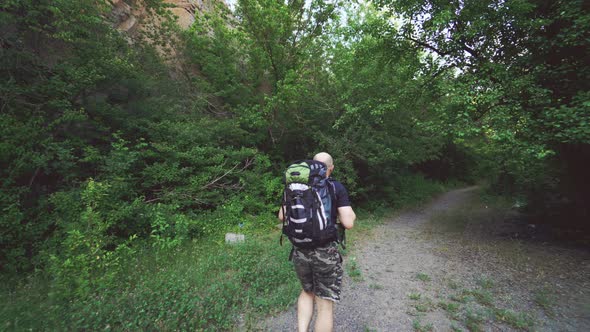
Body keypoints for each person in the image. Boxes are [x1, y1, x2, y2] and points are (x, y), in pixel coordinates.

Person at [278, 152, 356, 332]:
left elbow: (282, 216)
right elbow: (348, 223)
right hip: (325, 252)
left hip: (299, 249)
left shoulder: (294, 186)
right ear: (331, 168)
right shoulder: (336, 187)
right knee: (324, 304)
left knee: (307, 292)